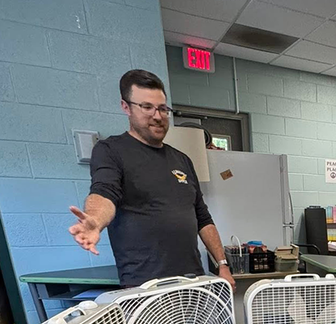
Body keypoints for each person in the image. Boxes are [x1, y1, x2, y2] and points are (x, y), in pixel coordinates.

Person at [68, 69, 235, 290]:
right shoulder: (111, 150)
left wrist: (222, 265)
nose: (157, 116)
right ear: (126, 107)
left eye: (163, 109)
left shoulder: (182, 160)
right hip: (144, 287)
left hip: (192, 282)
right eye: (147, 107)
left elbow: (202, 216)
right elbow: (104, 192)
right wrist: (95, 221)